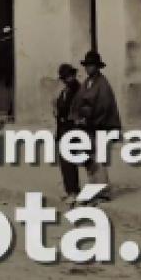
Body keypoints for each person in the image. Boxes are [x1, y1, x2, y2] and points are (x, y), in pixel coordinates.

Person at [70, 50, 121, 200]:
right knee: (89, 158)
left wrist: (89, 120)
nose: (88, 68)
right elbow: (77, 101)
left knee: (99, 158)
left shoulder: (102, 84)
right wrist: (77, 117)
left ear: (97, 67)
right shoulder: (86, 83)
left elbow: (104, 106)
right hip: (88, 126)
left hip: (101, 126)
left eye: (91, 65)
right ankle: (94, 188)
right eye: (87, 65)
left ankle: (104, 191)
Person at [53, 63, 82, 199]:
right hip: (63, 129)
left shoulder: (77, 89)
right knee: (65, 162)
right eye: (65, 77)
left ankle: (73, 191)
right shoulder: (66, 90)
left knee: (69, 161)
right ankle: (70, 189)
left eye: (70, 76)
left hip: (72, 129)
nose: (68, 79)